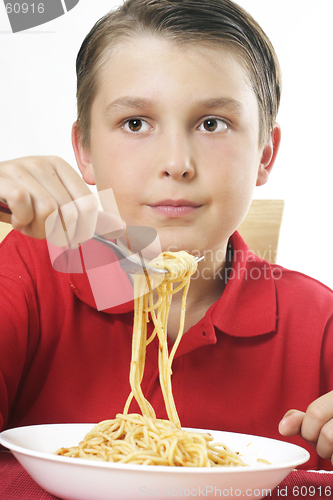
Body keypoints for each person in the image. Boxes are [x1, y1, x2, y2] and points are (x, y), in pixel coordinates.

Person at [0, 0, 333, 470]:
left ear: (264, 154)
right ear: (85, 151)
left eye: (212, 123)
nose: (176, 163)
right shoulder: (32, 269)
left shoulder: (319, 327)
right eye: (135, 124)